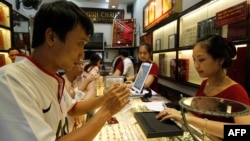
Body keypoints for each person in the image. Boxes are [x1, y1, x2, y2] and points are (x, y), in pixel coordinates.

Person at [0, 1, 130, 141]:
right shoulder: (10, 81)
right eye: (80, 44)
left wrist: (107, 97)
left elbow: (73, 108)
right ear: (51, 37)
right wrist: (107, 110)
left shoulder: (51, 76)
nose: (82, 54)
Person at [156, 34, 250, 139]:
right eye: (194, 60)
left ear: (220, 60)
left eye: (201, 60)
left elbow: (243, 132)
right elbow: (196, 115)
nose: (196, 65)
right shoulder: (205, 83)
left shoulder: (236, 92)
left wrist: (186, 118)